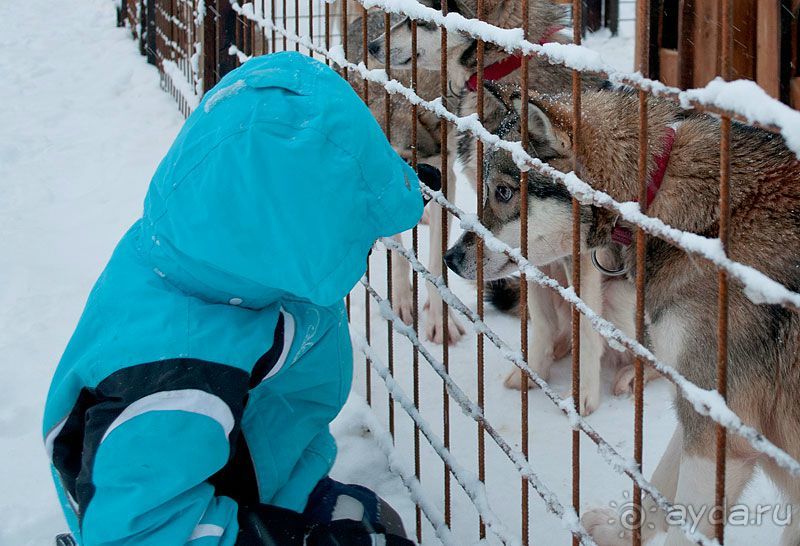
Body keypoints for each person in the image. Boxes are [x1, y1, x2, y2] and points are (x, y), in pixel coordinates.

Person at [43, 51, 432, 545]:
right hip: (166, 517)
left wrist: (380, 190)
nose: (364, 245)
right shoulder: (178, 373)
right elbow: (132, 533)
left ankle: (285, 493)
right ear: (287, 235)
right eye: (351, 231)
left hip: (238, 460)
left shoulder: (218, 257)